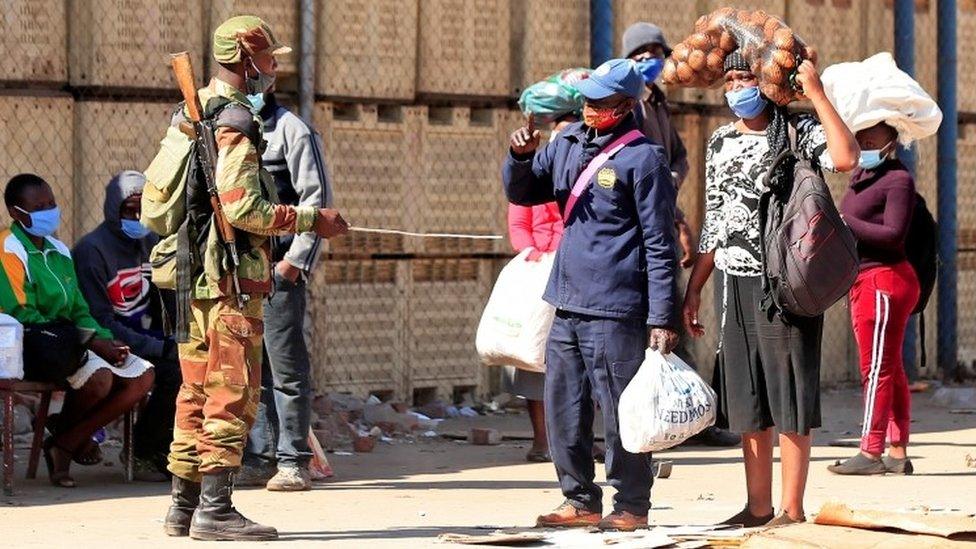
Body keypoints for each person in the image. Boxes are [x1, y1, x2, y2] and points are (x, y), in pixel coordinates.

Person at [161, 16, 348, 541]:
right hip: (227, 281)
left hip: (192, 274)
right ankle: (215, 511)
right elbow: (243, 208)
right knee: (230, 391)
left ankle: (182, 506)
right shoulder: (237, 120)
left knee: (193, 391)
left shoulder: (191, 109)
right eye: (268, 58)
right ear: (247, 59)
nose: (274, 67)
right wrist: (313, 220)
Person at [683, 51, 859, 527]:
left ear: (769, 85)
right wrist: (695, 287)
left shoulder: (799, 135)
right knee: (749, 397)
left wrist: (816, 94)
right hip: (735, 280)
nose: (738, 87)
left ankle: (791, 509)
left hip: (788, 283)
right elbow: (715, 220)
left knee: (790, 396)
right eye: (731, 79)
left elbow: (845, 157)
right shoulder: (719, 141)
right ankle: (757, 506)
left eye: (747, 78)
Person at [504, 58, 679, 532]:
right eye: (587, 100)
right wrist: (520, 158)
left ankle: (632, 504)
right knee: (564, 406)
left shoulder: (643, 158)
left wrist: (663, 316)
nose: (590, 109)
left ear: (624, 106)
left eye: (601, 103)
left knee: (623, 410)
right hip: (567, 300)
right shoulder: (566, 142)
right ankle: (579, 498)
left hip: (616, 306)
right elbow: (524, 193)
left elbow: (660, 243)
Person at [623, 21, 740, 448]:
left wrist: (672, 194)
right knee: (651, 319)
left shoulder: (656, 100)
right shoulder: (628, 103)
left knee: (671, 314)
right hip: (634, 227)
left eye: (658, 53)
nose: (652, 62)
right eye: (643, 54)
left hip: (660, 219)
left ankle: (690, 414)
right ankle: (655, 415)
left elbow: (677, 155)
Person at [0, 173, 155, 488]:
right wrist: (92, 342)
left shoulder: (59, 250)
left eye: (52, 204)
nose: (49, 211)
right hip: (28, 345)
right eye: (39, 206)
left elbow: (78, 309)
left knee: (142, 376)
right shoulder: (8, 248)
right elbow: (21, 312)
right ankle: (67, 448)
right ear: (17, 213)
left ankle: (65, 442)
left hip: (68, 342)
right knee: (101, 380)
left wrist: (106, 339)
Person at [238, 92, 333, 491]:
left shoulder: (291, 130)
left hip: (276, 270)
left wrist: (292, 263)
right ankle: (260, 457)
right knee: (248, 368)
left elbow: (317, 200)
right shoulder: (222, 127)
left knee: (285, 367)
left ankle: (294, 460)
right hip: (235, 273)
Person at [74, 170, 181, 482]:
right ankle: (142, 451)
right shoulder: (91, 251)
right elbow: (100, 320)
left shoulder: (152, 242)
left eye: (142, 210)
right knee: (172, 370)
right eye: (129, 211)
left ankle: (165, 447)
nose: (137, 218)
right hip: (110, 342)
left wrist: (178, 339)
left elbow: (169, 300)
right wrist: (159, 347)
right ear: (112, 210)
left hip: (152, 339)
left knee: (191, 363)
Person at [828, 122, 918, 476]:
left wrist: (845, 221)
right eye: (862, 128)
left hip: (884, 279)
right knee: (891, 368)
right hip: (867, 279)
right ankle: (897, 452)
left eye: (875, 130)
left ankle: (870, 452)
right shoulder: (862, 173)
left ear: (892, 138)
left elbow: (894, 234)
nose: (865, 136)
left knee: (876, 369)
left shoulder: (897, 179)